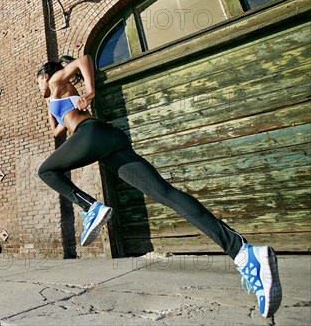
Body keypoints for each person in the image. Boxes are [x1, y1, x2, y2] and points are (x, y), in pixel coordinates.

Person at [36, 54, 282, 318]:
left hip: (91, 134)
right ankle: (245, 253)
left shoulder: (60, 81)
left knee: (46, 170)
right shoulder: (56, 97)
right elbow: (56, 131)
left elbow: (84, 59)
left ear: (46, 77)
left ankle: (91, 208)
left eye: (37, 81)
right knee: (166, 194)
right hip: (108, 141)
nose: (37, 87)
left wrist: (90, 90)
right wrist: (52, 104)